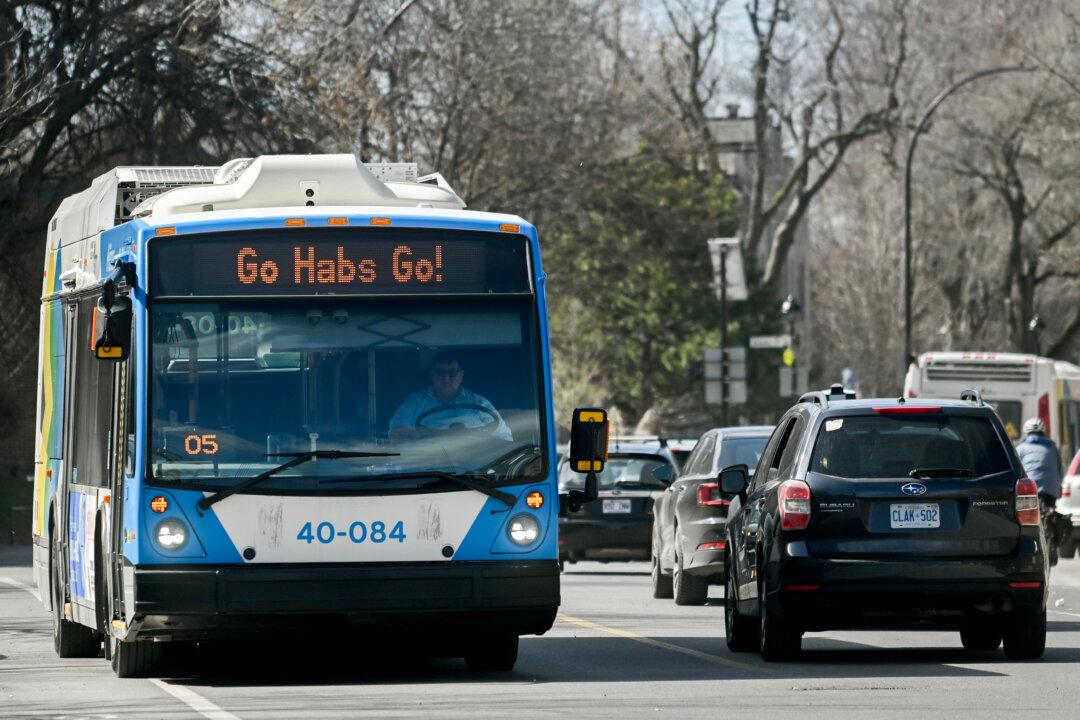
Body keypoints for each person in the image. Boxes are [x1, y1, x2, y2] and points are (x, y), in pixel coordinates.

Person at [389, 350, 512, 441]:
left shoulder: (480, 404)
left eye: (452, 373)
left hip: (475, 466)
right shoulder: (414, 403)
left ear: (461, 375)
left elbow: (504, 437)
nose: (446, 378)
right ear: (432, 375)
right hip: (429, 465)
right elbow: (397, 435)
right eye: (440, 372)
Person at [1016, 417, 1063, 507]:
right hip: (1051, 489)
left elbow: (1017, 471)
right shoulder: (1052, 447)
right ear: (1043, 432)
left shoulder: (1020, 448)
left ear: (1026, 433)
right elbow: (1060, 470)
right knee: (1049, 510)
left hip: (1029, 488)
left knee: (1026, 513)